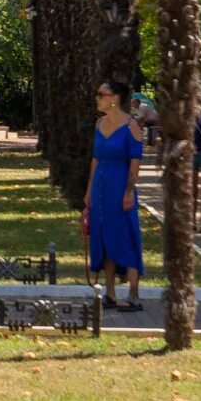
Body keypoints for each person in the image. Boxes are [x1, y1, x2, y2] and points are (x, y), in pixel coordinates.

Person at [85, 80, 145, 311]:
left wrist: (129, 191)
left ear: (115, 98)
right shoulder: (99, 123)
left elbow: (135, 163)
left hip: (121, 189)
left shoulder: (132, 126)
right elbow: (95, 159)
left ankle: (133, 295)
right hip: (101, 188)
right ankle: (109, 293)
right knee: (104, 237)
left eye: (101, 94)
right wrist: (89, 190)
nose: (97, 98)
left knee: (126, 237)